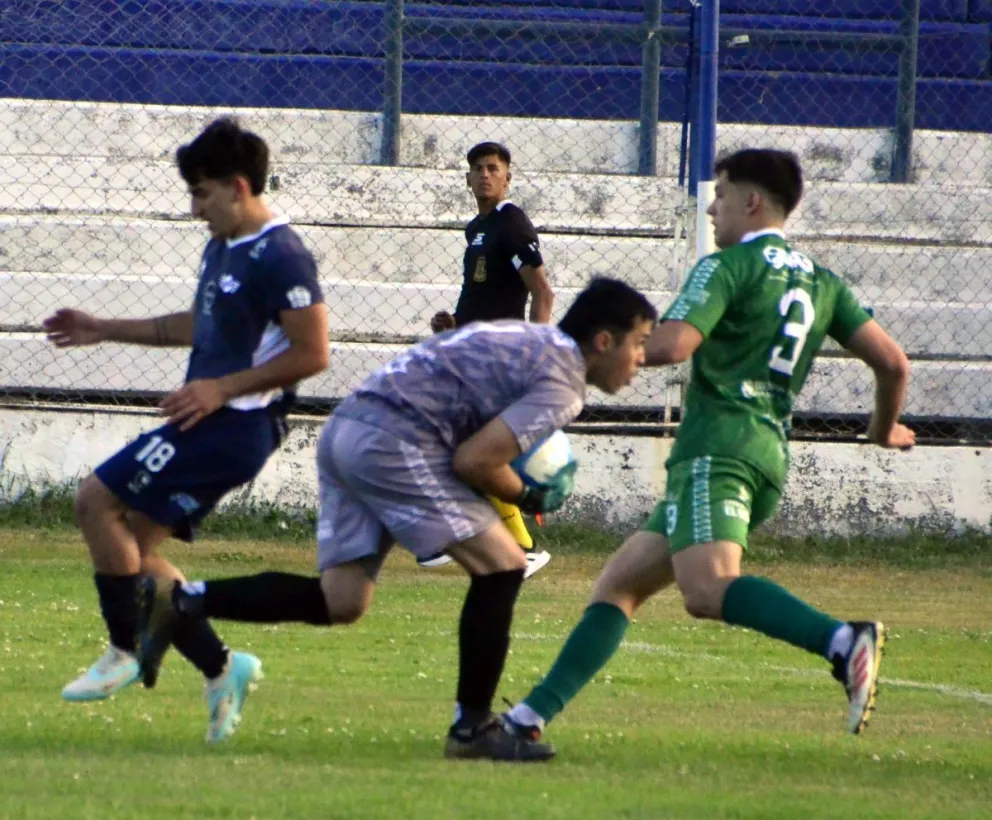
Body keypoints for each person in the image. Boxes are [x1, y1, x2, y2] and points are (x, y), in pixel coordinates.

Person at [491, 148, 916, 759]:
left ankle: (843, 641)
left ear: (752, 201)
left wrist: (590, 349)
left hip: (717, 450)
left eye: (720, 194)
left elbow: (674, 345)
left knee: (708, 589)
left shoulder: (728, 267)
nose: (712, 208)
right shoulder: (821, 281)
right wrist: (883, 428)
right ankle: (527, 718)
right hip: (765, 453)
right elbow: (893, 363)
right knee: (618, 588)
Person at [137, 278, 657, 760]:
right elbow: (475, 461)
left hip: (348, 427)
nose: (642, 359)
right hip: (397, 441)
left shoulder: (528, 337)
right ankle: (473, 728)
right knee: (502, 565)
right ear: (605, 341)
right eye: (639, 343)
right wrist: (528, 494)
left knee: (342, 599)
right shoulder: (563, 382)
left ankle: (183, 601)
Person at [42, 117, 330, 742]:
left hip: (236, 424)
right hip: (210, 417)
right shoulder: (223, 245)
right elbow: (199, 326)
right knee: (137, 555)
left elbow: (313, 354)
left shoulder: (282, 253)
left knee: (96, 501)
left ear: (237, 185)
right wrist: (104, 328)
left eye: (201, 193)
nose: (195, 208)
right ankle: (223, 668)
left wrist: (220, 388)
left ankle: (124, 650)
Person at [424, 141, 556, 577]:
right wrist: (457, 322)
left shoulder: (512, 224)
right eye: (478, 168)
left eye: (493, 168)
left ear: (507, 177)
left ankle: (523, 546)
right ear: (467, 178)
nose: (485, 174)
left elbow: (541, 291)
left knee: (471, 450)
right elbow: (487, 292)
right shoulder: (477, 229)